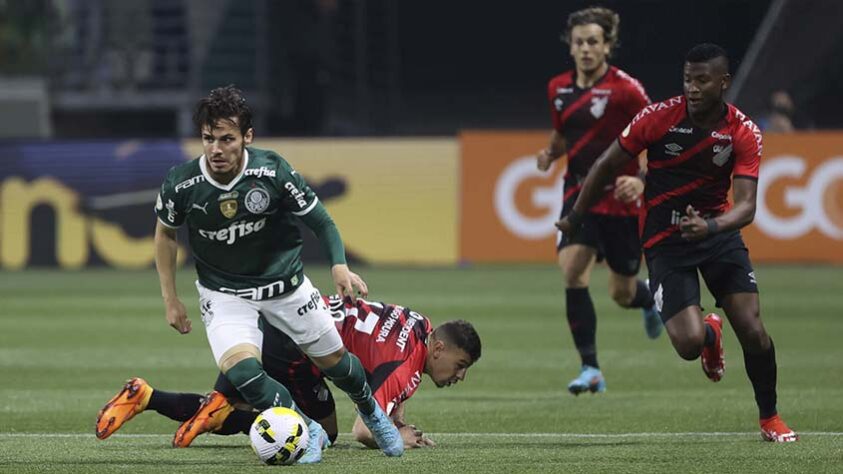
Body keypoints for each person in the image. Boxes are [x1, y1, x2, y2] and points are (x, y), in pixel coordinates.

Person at [130, 85, 403, 463]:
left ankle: (371, 411)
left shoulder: (272, 170)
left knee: (338, 366)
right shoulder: (182, 183)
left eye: (227, 138)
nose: (216, 148)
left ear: (247, 137)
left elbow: (320, 220)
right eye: (209, 139)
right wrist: (170, 299)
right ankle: (308, 431)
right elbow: (165, 234)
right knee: (243, 373)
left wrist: (338, 262)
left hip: (286, 287)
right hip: (225, 293)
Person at [555, 43, 798, 442]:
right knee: (686, 344)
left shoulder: (742, 131)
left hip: (717, 236)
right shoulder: (658, 118)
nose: (693, 88)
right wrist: (575, 218)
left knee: (753, 329)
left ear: (723, 82)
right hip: (665, 240)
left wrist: (713, 227)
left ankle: (769, 417)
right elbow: (604, 165)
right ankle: (708, 335)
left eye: (702, 80)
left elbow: (747, 207)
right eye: (688, 79)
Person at [95, 295, 482, 450]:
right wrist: (396, 433)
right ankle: (217, 414)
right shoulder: (407, 366)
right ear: (439, 348)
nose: (460, 376)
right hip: (295, 349)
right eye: (460, 366)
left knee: (230, 400)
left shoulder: (420, 326)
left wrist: (395, 411)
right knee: (317, 434)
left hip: (274, 322)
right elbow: (364, 431)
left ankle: (144, 396)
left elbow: (383, 369)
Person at [536, 6, 662, 395]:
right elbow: (564, 135)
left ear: (607, 46)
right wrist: (550, 153)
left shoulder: (628, 90)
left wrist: (641, 180)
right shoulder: (558, 88)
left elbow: (658, 139)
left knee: (621, 293)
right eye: (579, 42)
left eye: (593, 42)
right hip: (578, 192)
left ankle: (647, 301)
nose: (586, 49)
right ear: (570, 47)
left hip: (621, 198)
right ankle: (590, 367)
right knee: (573, 271)